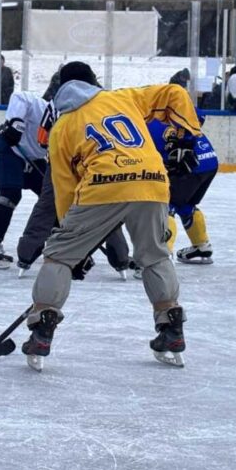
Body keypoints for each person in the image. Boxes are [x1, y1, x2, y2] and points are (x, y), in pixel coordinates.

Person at [21, 61, 202, 370]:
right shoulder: (122, 97)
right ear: (94, 83)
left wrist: (73, 247)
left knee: (59, 257)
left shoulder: (61, 127)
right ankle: (171, 324)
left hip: (101, 185)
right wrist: (186, 136)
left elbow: (65, 190)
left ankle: (43, 325)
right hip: (152, 182)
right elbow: (174, 93)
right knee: (155, 256)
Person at [16, 72, 130, 279]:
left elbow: (42, 139)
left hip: (61, 164)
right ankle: (121, 259)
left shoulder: (55, 104)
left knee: (47, 207)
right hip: (96, 162)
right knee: (104, 208)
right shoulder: (106, 102)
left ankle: (26, 256)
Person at [0, 86, 49, 268]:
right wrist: (16, 122)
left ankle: (62, 245)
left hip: (34, 157)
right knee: (11, 194)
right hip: (8, 149)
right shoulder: (45, 108)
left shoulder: (74, 125)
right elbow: (20, 96)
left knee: (54, 197)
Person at [147, 117, 218, 264]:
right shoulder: (167, 106)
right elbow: (198, 115)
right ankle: (201, 247)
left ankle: (161, 257)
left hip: (189, 165)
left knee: (166, 205)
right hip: (209, 160)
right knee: (185, 205)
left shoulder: (146, 120)